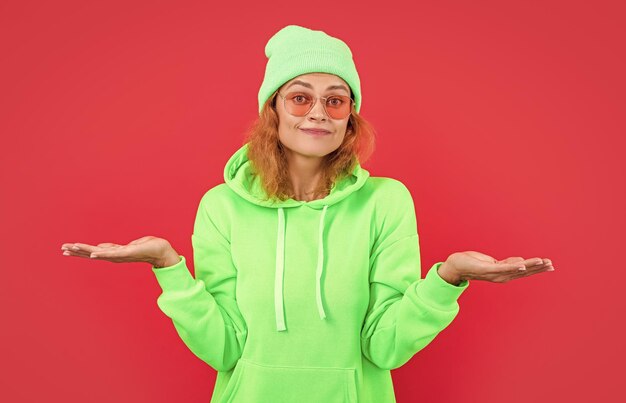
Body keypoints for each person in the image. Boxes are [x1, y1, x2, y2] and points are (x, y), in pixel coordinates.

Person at [61, 25, 554, 403]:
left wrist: (447, 278)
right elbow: (225, 350)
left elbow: (384, 348)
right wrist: (168, 266)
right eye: (300, 97)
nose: (318, 112)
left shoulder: (386, 201)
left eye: (335, 101)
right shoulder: (222, 207)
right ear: (273, 110)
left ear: (349, 118)